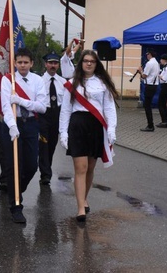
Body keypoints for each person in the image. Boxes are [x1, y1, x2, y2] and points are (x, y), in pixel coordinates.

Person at [59, 49, 118, 222]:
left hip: (96, 126)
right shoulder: (72, 84)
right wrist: (63, 132)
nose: (89, 63)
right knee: (81, 168)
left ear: (96, 63)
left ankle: (84, 198)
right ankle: (80, 209)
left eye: (92, 61)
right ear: (81, 63)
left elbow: (109, 108)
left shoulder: (103, 84)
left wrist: (112, 129)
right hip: (78, 125)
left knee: (90, 168)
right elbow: (66, 109)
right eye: (86, 60)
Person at [0, 48, 48, 224]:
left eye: (25, 62)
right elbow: (6, 106)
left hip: (31, 125)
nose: (22, 65)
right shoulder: (8, 80)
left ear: (31, 64)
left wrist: (21, 101)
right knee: (14, 167)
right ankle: (16, 207)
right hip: (13, 123)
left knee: (31, 166)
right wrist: (12, 125)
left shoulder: (37, 80)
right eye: (19, 62)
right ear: (15, 63)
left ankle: (17, 191)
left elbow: (42, 107)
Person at [39, 52, 66, 184]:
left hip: (57, 115)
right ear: (46, 64)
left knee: (51, 145)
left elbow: (66, 102)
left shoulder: (63, 82)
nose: (53, 65)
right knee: (43, 144)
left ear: (58, 65)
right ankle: (45, 174)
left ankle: (46, 167)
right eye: (50, 63)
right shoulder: (39, 81)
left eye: (55, 63)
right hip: (43, 115)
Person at [137, 49, 160, 132]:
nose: (146, 55)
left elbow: (144, 76)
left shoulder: (150, 63)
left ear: (150, 54)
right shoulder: (156, 63)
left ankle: (150, 125)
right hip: (154, 85)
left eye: (147, 54)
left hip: (150, 85)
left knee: (147, 106)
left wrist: (140, 71)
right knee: (148, 105)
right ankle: (150, 124)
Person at [156, 54, 167, 128]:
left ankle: (164, 121)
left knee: (161, 104)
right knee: (162, 104)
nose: (160, 61)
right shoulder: (165, 68)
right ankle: (164, 120)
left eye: (161, 59)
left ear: (165, 60)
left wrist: (159, 75)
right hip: (165, 86)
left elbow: (164, 78)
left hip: (166, 86)